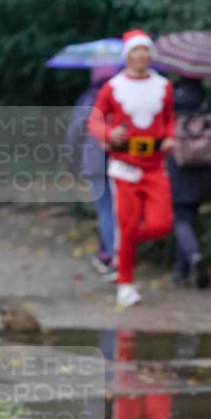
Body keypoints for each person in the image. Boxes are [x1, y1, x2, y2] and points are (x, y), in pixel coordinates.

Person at [88, 30, 175, 307]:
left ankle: (124, 242)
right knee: (125, 223)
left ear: (150, 54)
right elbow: (95, 120)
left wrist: (171, 136)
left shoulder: (165, 86)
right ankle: (125, 283)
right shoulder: (112, 87)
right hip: (123, 166)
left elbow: (170, 118)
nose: (141, 56)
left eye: (145, 51)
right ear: (127, 56)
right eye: (135, 51)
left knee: (161, 224)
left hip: (154, 166)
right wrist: (108, 134)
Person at [65, 65, 118, 280]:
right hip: (124, 159)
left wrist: (71, 162)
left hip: (96, 161)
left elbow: (75, 133)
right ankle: (108, 253)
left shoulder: (89, 98)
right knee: (118, 210)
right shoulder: (123, 94)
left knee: (105, 209)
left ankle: (113, 257)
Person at [166, 77, 211, 288]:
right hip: (204, 166)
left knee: (180, 218)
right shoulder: (207, 98)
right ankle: (182, 271)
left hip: (177, 165)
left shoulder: (170, 98)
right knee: (190, 217)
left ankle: (193, 256)